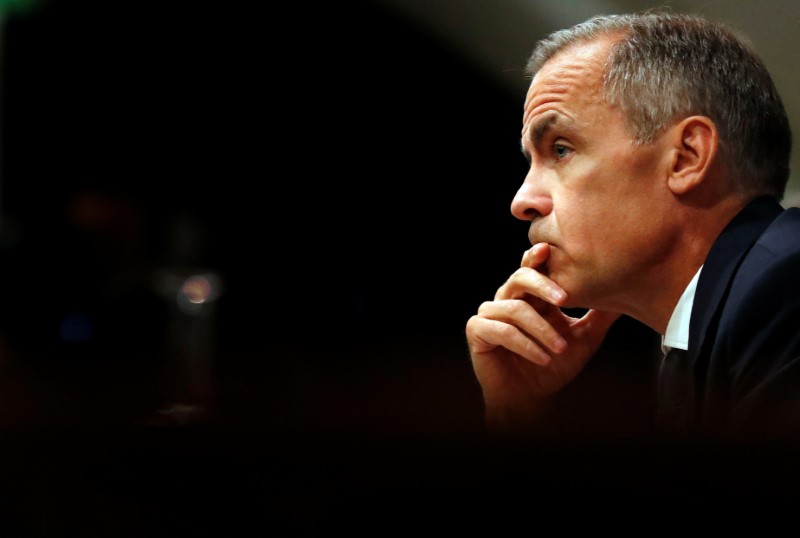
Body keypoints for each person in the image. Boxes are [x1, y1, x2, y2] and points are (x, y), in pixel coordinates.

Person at [465, 11, 800, 446]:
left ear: (686, 157)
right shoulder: (705, 331)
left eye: (561, 149)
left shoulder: (784, 290)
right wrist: (516, 414)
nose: (522, 202)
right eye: (533, 162)